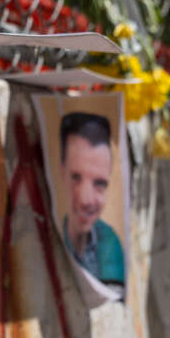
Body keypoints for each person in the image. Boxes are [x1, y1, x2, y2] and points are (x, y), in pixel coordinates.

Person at [59, 112, 125, 286]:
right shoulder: (50, 238)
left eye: (99, 184)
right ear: (62, 173)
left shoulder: (111, 242)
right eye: (76, 178)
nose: (86, 200)